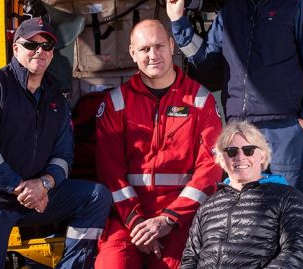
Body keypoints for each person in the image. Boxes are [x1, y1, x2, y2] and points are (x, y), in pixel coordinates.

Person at [165, 0, 303, 203]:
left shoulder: (301, 7)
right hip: (239, 129)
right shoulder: (229, 14)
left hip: (285, 129)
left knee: (290, 211)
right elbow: (210, 68)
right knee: (246, 211)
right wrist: (179, 24)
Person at [0, 17, 112, 269]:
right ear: (16, 48)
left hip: (33, 196)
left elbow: (64, 155)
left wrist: (44, 185)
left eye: (47, 46)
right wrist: (22, 188)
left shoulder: (55, 99)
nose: (40, 51)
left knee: (96, 197)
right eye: (31, 44)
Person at [94, 19, 223, 269]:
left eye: (159, 46)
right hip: (127, 217)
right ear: (132, 53)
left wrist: (168, 219)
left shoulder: (200, 100)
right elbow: (111, 172)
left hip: (181, 218)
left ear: (172, 45)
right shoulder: (116, 103)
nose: (153, 55)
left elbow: (211, 168)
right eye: (144, 49)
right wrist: (137, 222)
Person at [181, 121, 303, 269]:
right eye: (231, 151)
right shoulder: (208, 206)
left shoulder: (288, 198)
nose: (240, 156)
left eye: (248, 150)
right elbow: (190, 258)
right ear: (221, 159)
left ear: (263, 156)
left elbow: (296, 254)